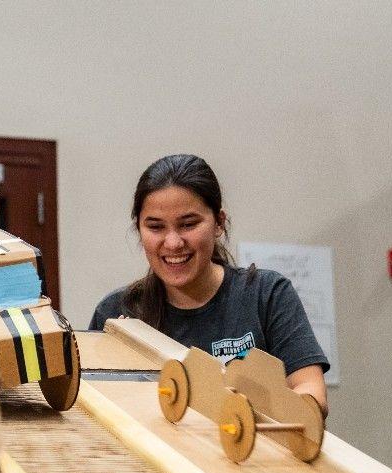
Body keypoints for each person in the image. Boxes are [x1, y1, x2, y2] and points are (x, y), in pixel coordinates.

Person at [89, 154, 328, 413]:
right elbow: (94, 405)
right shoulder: (114, 312)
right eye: (156, 227)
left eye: (189, 224)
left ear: (219, 223)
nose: (173, 243)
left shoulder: (266, 294)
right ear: (139, 230)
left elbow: (310, 390)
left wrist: (286, 414)